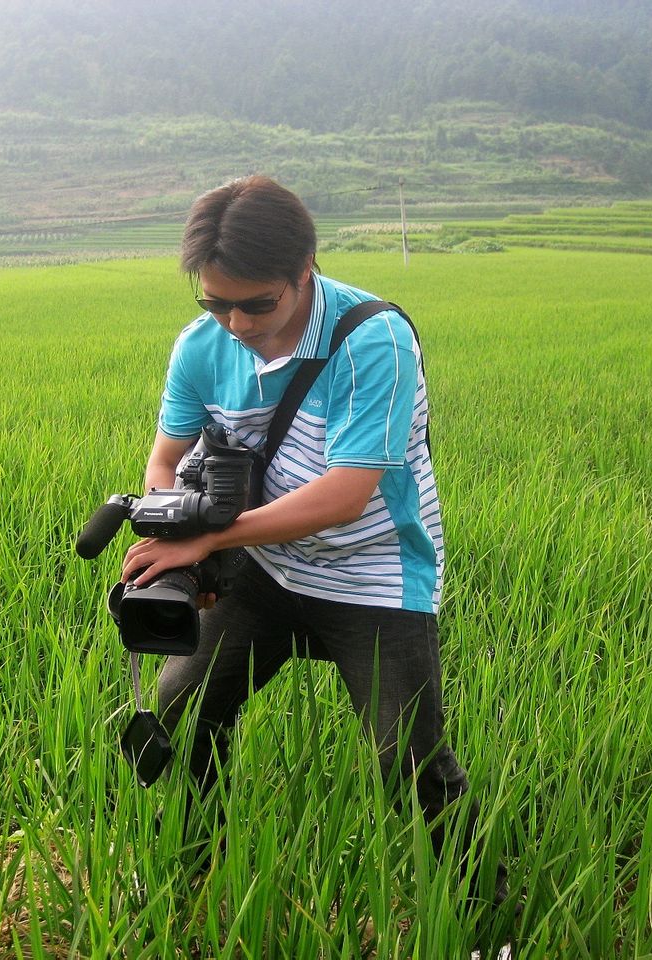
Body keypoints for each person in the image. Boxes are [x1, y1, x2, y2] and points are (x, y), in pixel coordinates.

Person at [120, 175, 504, 906]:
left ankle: (485, 921)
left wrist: (205, 542)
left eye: (256, 302)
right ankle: (202, 869)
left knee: (409, 761)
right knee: (186, 708)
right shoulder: (201, 346)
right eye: (215, 301)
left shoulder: (373, 339)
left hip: (374, 574)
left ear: (305, 272)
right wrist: (173, 522)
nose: (235, 321)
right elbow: (166, 456)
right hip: (264, 570)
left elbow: (344, 493)